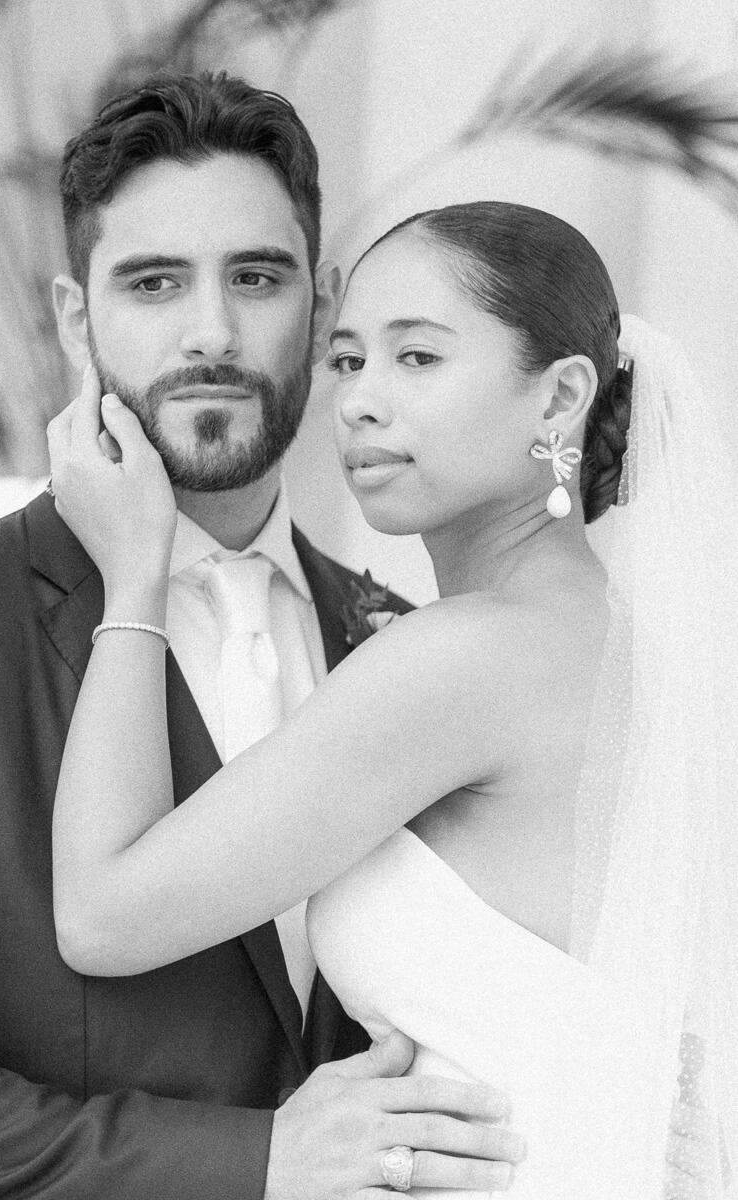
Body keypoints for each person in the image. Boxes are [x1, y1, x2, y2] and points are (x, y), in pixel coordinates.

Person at [49, 199, 738, 1198]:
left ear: (562, 397)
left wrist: (132, 576)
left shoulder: (467, 658)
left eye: (417, 359)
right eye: (347, 360)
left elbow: (106, 914)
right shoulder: (621, 645)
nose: (362, 402)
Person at [0, 77, 526, 1199]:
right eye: (153, 283)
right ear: (76, 317)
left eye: (256, 278)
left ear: (323, 299)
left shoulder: (407, 643)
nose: (211, 332)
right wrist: (253, 1162)